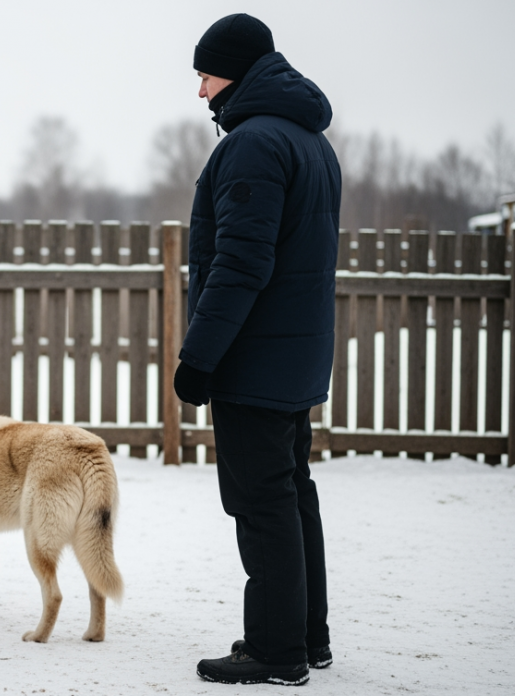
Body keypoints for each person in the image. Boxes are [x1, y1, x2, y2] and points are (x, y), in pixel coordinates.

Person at [172, 14, 340, 687]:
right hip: (293, 356)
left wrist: (199, 357)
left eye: (206, 75)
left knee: (261, 502)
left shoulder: (253, 144)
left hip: (255, 358)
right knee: (292, 494)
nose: (201, 91)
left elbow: (241, 265)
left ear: (236, 72)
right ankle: (306, 636)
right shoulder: (309, 140)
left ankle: (275, 650)